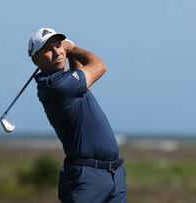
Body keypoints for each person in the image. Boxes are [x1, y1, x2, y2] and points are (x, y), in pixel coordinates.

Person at [28, 28, 127, 203]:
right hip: (86, 178)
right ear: (36, 59)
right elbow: (99, 66)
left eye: (58, 46)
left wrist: (70, 54)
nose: (57, 52)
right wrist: (72, 49)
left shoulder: (67, 82)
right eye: (48, 49)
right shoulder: (55, 86)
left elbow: (81, 80)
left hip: (114, 174)